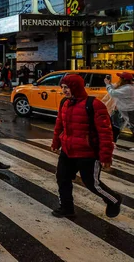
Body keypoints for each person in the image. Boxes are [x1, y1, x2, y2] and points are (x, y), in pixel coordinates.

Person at [51, 74, 121, 218]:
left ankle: (113, 199)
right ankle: (66, 208)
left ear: (76, 87)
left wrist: (106, 155)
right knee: (62, 178)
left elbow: (105, 133)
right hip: (68, 150)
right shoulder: (65, 102)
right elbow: (60, 124)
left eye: (67, 87)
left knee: (92, 183)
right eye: (63, 87)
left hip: (88, 153)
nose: (64, 90)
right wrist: (56, 142)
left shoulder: (94, 104)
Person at [104, 72, 134, 142]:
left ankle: (116, 140)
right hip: (123, 110)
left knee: (129, 126)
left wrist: (108, 85)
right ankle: (115, 140)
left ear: (123, 79)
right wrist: (109, 83)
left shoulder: (128, 88)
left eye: (120, 78)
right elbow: (115, 86)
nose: (119, 79)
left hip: (128, 110)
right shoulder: (126, 86)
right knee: (116, 125)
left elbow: (113, 93)